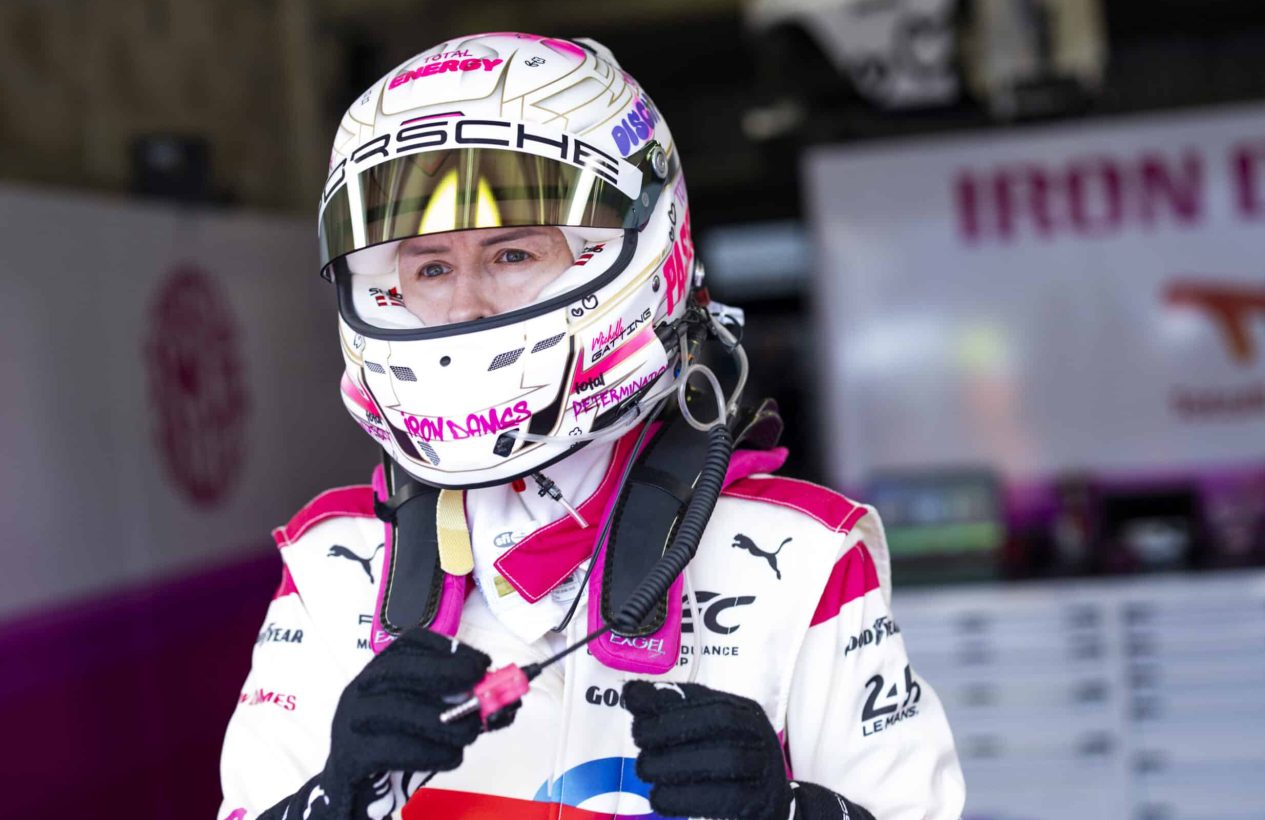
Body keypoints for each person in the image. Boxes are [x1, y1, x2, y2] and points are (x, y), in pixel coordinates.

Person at [218, 32, 965, 820]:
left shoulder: (800, 557)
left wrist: (793, 813)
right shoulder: (335, 563)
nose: (466, 305)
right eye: (431, 268)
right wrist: (332, 801)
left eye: (512, 255)